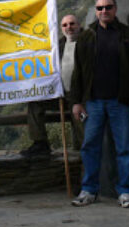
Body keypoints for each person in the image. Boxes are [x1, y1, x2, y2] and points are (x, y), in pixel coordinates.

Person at [69, 0, 129, 208]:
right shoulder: (87, 37)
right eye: (100, 8)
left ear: (115, 9)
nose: (104, 11)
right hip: (93, 102)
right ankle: (89, 190)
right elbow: (79, 72)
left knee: (125, 148)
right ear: (95, 11)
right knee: (90, 147)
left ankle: (125, 192)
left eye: (108, 7)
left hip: (121, 101)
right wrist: (76, 101)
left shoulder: (128, 36)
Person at [21, 14, 84, 157]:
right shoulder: (58, 46)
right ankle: (40, 143)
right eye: (65, 25)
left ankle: (85, 157)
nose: (69, 27)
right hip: (63, 95)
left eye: (72, 24)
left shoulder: (88, 43)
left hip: (83, 98)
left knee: (83, 132)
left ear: (79, 25)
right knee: (35, 102)